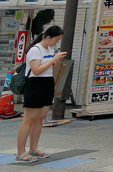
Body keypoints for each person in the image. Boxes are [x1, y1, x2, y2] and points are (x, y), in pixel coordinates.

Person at [15, 25, 66, 163]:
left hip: (47, 82)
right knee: (28, 120)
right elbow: (36, 70)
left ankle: (33, 148)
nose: (57, 42)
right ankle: (20, 152)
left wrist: (56, 60)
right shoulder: (35, 50)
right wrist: (53, 59)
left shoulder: (49, 49)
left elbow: (49, 68)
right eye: (57, 39)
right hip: (35, 84)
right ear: (48, 37)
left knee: (39, 118)